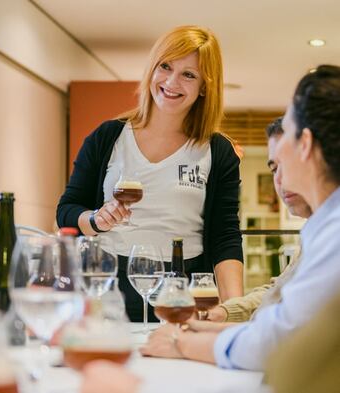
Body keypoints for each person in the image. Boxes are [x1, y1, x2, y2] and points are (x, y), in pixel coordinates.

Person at [78, 64, 340, 393]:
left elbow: (277, 339)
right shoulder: (325, 230)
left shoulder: (333, 234)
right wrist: (210, 325)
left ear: (304, 144)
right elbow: (280, 321)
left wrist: (181, 345)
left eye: (285, 132)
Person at [56, 25, 243, 322]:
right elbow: (67, 210)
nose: (171, 82)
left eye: (189, 74)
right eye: (165, 66)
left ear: (205, 86)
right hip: (107, 284)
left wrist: (235, 311)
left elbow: (225, 237)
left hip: (181, 290)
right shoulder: (108, 137)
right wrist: (95, 219)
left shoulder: (217, 151)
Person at [207, 117, 311, 323]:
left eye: (289, 164)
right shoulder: (315, 228)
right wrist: (225, 312)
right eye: (274, 169)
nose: (280, 180)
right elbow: (280, 291)